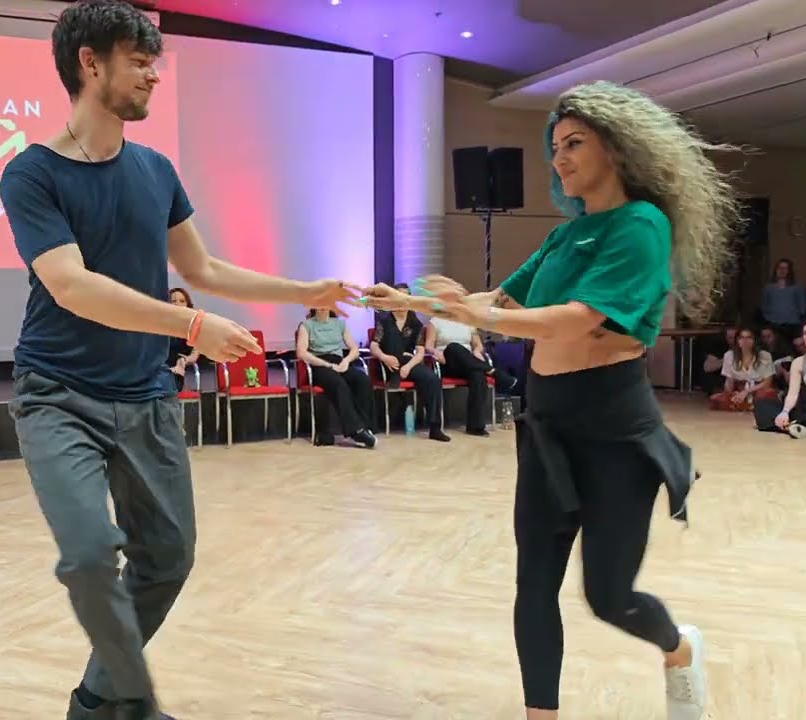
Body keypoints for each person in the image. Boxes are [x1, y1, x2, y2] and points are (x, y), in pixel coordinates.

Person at [0, 3, 357, 718]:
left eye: (153, 62)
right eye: (138, 61)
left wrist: (304, 291)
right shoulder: (31, 173)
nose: (153, 75)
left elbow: (204, 268)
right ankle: (120, 703)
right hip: (57, 394)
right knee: (90, 555)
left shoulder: (156, 170)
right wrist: (191, 324)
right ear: (89, 63)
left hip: (144, 395)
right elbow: (72, 286)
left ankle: (100, 700)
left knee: (167, 559)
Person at [362, 80, 735, 720]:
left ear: (617, 146)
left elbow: (576, 319)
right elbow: (496, 302)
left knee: (610, 596)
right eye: (555, 147)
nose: (559, 159)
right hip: (548, 425)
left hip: (614, 432)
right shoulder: (566, 237)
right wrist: (414, 301)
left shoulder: (641, 226)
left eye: (574, 144)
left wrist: (479, 315)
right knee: (533, 585)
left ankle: (679, 649)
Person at [369, 285, 449, 441]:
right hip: (388, 365)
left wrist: (408, 366)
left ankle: (435, 428)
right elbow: (374, 346)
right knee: (403, 355)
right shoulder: (384, 322)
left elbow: (420, 352)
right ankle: (399, 367)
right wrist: (384, 357)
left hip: (408, 366)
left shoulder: (415, 323)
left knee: (432, 379)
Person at [296, 307, 378, 447]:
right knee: (338, 383)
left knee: (362, 379)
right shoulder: (306, 325)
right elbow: (301, 353)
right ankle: (356, 430)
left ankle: (365, 426)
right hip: (319, 364)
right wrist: (328, 365)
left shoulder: (339, 324)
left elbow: (354, 349)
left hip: (339, 361)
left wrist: (346, 361)